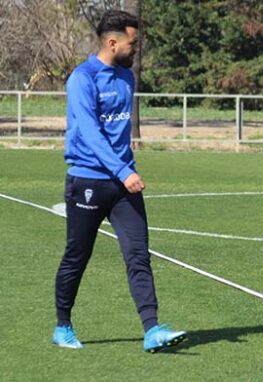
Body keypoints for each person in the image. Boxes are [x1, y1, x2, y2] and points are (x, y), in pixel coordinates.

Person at [53, 10, 186, 353]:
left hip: (122, 185)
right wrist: (124, 171)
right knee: (77, 256)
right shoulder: (81, 79)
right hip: (89, 180)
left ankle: (152, 329)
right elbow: (92, 135)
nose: (136, 48)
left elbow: (118, 135)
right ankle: (63, 325)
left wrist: (125, 170)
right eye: (133, 42)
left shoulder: (126, 78)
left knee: (138, 255)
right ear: (113, 43)